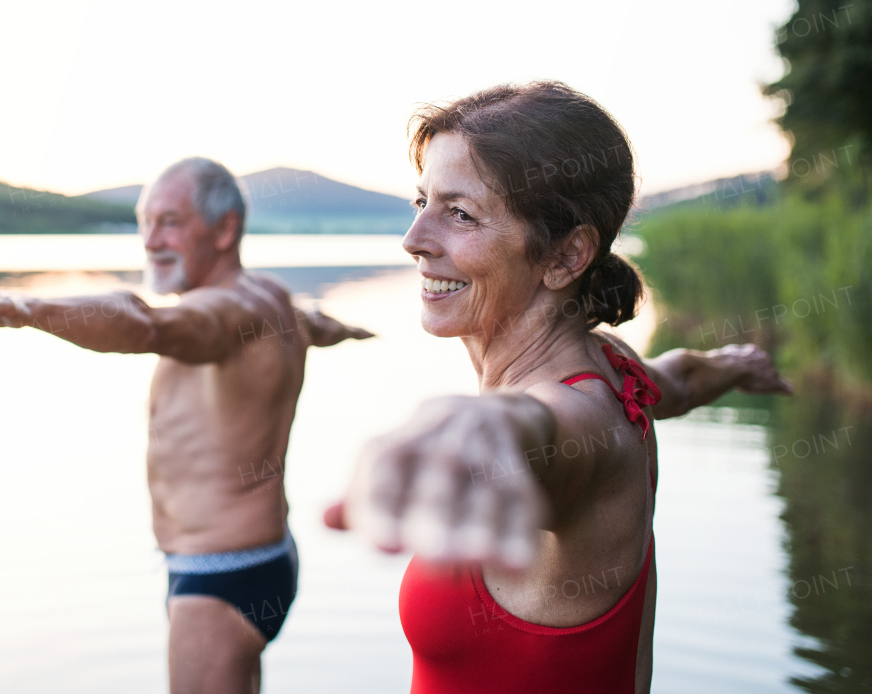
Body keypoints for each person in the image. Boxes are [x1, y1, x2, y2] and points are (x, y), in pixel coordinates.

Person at [324, 82, 792, 693]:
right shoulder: (617, 367)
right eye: (423, 201)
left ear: (567, 256)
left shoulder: (580, 421)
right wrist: (732, 364)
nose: (414, 239)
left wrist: (480, 426)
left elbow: (544, 433)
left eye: (460, 214)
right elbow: (680, 378)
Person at [0, 157, 373, 694]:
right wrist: (356, 331)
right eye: (144, 221)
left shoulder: (223, 314)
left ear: (226, 229)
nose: (151, 239)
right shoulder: (274, 301)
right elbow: (320, 325)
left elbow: (144, 322)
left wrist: (25, 308)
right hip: (256, 559)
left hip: (218, 578)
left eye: (171, 222)